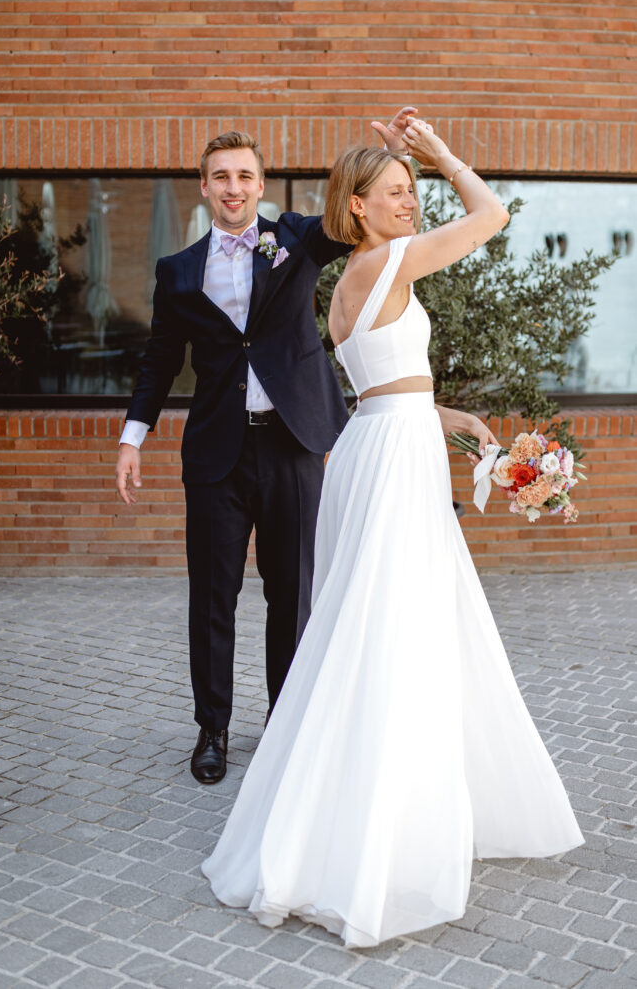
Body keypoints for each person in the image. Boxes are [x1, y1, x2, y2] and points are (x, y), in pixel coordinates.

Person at [201, 122, 584, 947]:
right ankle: (381, 825)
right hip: (392, 460)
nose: (412, 202)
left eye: (414, 190)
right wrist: (443, 154)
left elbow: (382, 386)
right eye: (398, 192)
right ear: (358, 207)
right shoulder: (394, 260)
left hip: (378, 442)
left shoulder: (347, 283)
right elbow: (491, 217)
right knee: (395, 627)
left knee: (369, 622)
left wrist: (451, 414)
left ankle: (352, 797)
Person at [116, 112, 438, 785]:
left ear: (260, 185)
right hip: (217, 456)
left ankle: (285, 725)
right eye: (221, 177)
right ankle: (212, 729)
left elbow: (363, 213)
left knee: (292, 596)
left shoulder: (294, 238)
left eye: (245, 176)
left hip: (295, 444)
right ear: (204, 187)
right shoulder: (177, 272)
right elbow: (159, 360)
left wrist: (391, 160)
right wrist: (132, 438)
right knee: (213, 597)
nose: (233, 187)